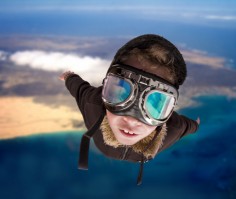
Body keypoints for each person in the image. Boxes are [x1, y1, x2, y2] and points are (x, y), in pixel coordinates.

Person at [59, 34, 200, 185]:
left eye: (155, 104)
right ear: (105, 91)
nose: (132, 120)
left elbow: (79, 88)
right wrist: (69, 77)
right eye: (120, 94)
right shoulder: (93, 102)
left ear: (169, 112)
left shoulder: (174, 127)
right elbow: (78, 87)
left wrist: (69, 77)